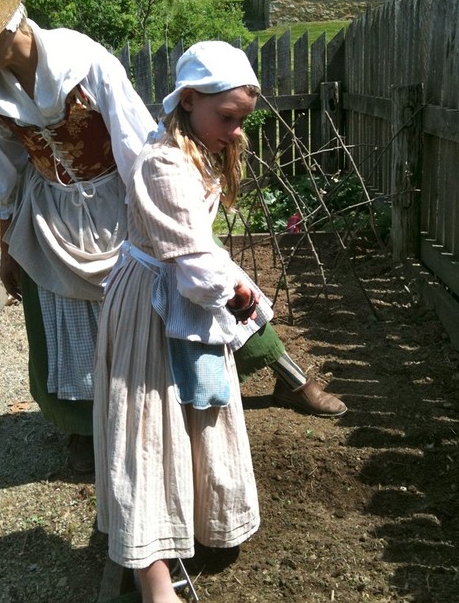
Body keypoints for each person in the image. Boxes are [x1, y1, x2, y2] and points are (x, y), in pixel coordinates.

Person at [0, 0, 345, 473]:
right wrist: (8, 246)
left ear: (5, 26)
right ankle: (86, 426)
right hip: (54, 214)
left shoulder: (83, 60)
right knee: (65, 319)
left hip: (123, 198)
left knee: (202, 278)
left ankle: (289, 376)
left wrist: (165, 212)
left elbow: (136, 140)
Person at [93, 41, 264, 601]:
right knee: (147, 427)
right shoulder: (165, 162)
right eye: (228, 118)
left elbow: (196, 254)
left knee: (188, 411)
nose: (236, 131)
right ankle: (153, 574)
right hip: (151, 302)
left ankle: (192, 519)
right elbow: (194, 267)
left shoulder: (190, 147)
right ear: (189, 100)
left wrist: (235, 290)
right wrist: (238, 295)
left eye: (242, 120)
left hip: (174, 289)